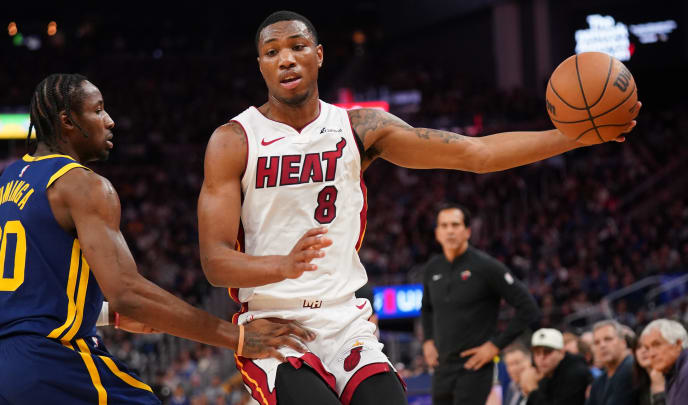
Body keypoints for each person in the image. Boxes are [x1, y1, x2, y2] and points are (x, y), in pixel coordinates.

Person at [196, 10, 640, 405]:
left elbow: (475, 155)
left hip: (343, 317)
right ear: (261, 66)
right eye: (272, 52)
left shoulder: (359, 127)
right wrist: (283, 265)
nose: (286, 58)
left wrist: (574, 136)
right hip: (273, 325)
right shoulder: (233, 140)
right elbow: (216, 263)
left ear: (319, 54)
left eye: (296, 46)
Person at [0, 73, 314, 405]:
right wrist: (238, 337)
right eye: (97, 111)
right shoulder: (81, 185)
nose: (109, 121)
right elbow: (129, 293)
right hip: (49, 362)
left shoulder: (5, 184)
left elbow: (32, 292)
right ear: (67, 121)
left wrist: (109, 316)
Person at [420, 203, 540, 405]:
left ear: (467, 231)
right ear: (437, 233)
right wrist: (428, 340)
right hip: (442, 367)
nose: (450, 230)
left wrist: (495, 346)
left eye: (455, 225)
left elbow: (528, 307)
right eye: (444, 225)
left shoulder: (486, 266)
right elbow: (426, 308)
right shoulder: (432, 268)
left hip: (475, 366)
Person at [520, 328, 592, 405]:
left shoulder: (576, 373)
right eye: (537, 353)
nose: (541, 358)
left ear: (561, 352)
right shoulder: (549, 374)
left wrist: (532, 390)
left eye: (547, 352)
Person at [586, 320, 639, 405]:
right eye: (597, 342)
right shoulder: (598, 382)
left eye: (608, 339)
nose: (602, 345)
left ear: (623, 343)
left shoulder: (634, 369)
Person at [640, 319, 688, 403]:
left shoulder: (686, 372)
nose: (651, 354)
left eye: (657, 344)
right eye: (647, 348)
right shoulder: (671, 373)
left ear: (678, 344)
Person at [633, 331, 666, 405]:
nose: (643, 351)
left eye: (647, 346)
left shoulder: (676, 378)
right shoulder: (639, 384)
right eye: (638, 347)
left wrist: (659, 390)